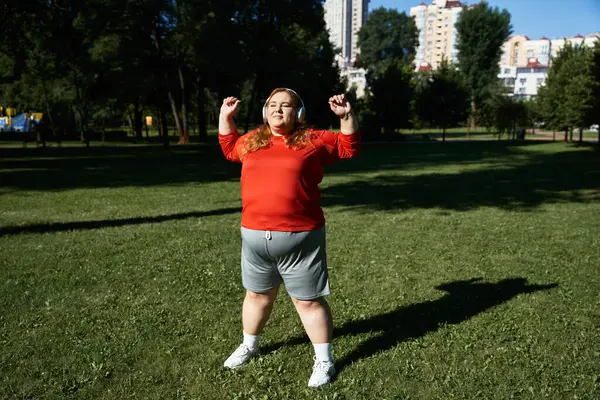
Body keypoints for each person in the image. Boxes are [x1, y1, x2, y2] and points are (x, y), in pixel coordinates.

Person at [218, 88, 359, 387]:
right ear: (264, 111)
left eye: (286, 105)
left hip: (300, 239)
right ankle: (249, 346)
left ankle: (324, 361)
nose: (278, 110)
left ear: (299, 113)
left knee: (307, 302)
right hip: (255, 238)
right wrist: (225, 117)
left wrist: (346, 116)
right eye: (272, 105)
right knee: (256, 295)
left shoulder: (313, 140)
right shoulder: (253, 141)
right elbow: (229, 148)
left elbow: (348, 147)